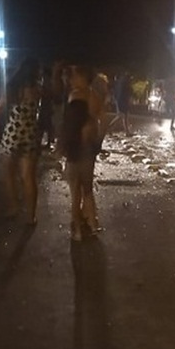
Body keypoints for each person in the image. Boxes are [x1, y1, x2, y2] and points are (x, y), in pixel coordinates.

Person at [0, 57, 43, 224]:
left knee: (9, 173)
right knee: (29, 177)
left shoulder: (13, 89)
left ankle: (13, 207)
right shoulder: (37, 89)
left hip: (13, 132)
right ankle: (31, 216)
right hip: (31, 133)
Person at [60, 65, 103, 241]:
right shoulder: (94, 96)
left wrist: (60, 146)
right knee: (87, 189)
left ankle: (76, 227)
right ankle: (92, 224)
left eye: (75, 76)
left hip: (75, 147)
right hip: (88, 148)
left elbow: (68, 125)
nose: (72, 79)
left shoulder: (75, 96)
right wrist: (97, 141)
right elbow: (102, 121)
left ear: (83, 78)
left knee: (75, 190)